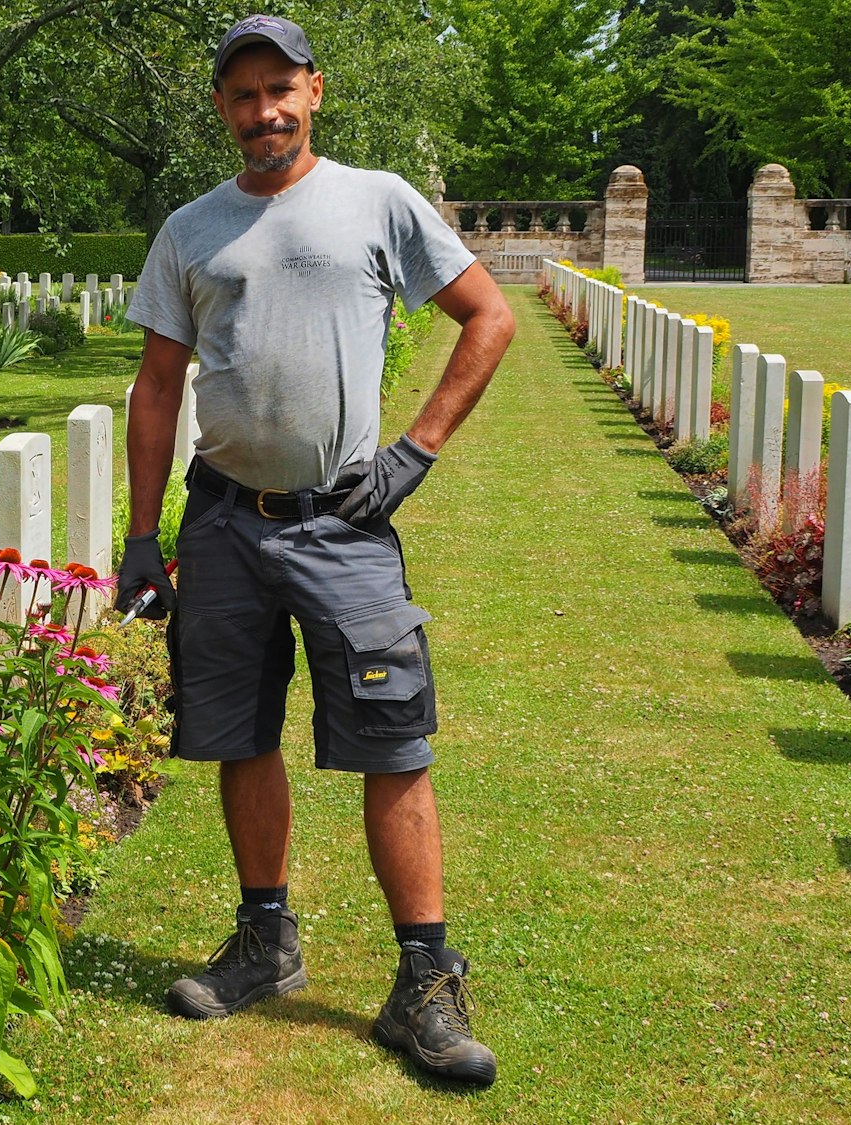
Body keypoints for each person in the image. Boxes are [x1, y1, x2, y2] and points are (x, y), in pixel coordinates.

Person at [115, 14, 516, 1086]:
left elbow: (486, 317)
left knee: (392, 740)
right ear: (221, 110)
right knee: (240, 734)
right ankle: (265, 939)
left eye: (279, 89)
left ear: (314, 90)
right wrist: (143, 534)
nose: (264, 112)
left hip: (343, 525)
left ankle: (423, 983)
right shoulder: (189, 230)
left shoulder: (377, 200)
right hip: (223, 524)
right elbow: (157, 387)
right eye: (242, 95)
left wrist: (415, 452)